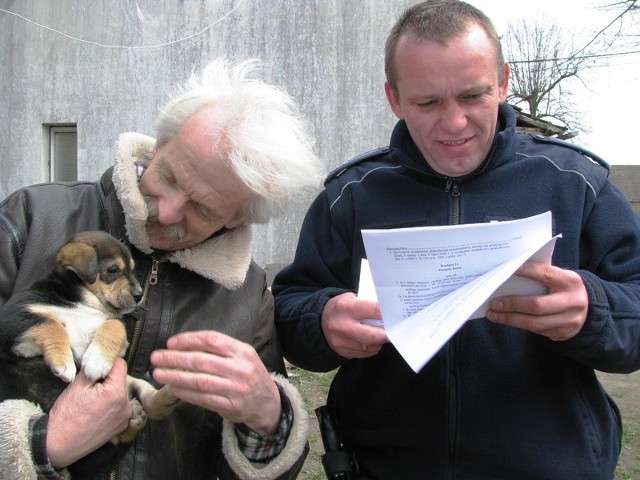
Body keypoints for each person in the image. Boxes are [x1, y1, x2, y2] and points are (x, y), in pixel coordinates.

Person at [272, 1, 640, 479]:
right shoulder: (352, 196)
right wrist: (323, 321)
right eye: (427, 103)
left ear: (504, 82)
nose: (454, 123)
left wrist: (594, 310)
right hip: (385, 467)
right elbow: (289, 309)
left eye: (473, 96)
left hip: (550, 466)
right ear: (394, 98)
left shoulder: (575, 182)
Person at [0, 58, 324, 480]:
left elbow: (262, 471)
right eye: (168, 175)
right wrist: (41, 444)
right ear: (157, 146)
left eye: (203, 207)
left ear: (236, 219)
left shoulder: (247, 295)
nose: (166, 211)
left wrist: (269, 419)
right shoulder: (32, 218)